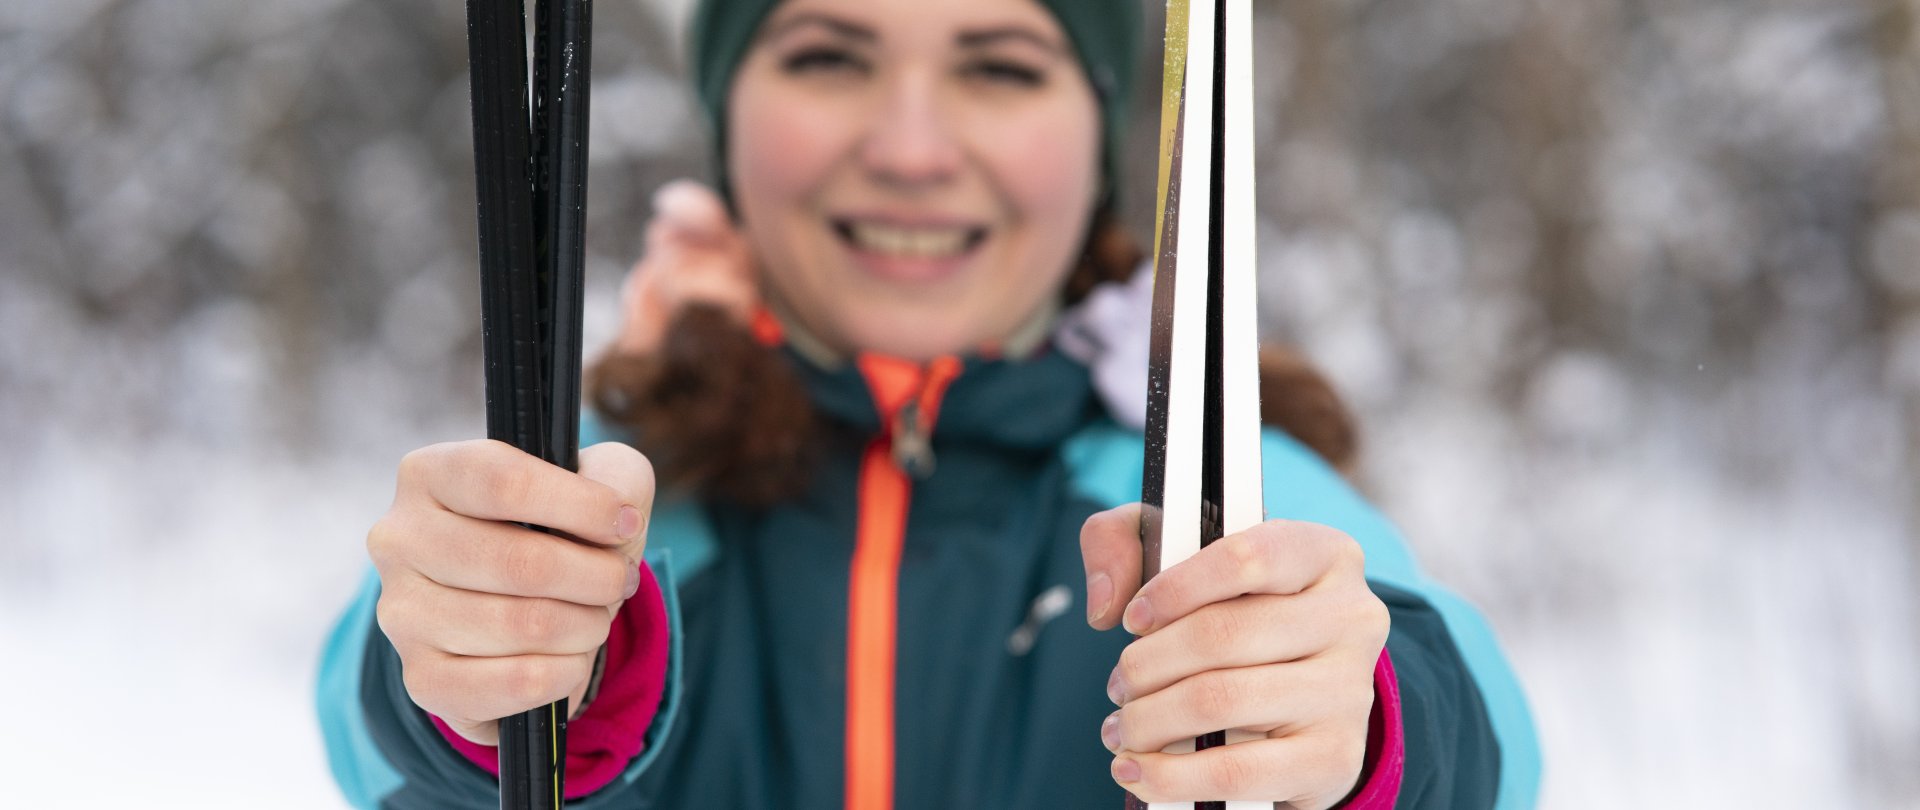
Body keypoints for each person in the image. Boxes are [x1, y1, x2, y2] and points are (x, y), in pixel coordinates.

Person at [317, 0, 1540, 807]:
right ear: (728, 120)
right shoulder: (608, 493)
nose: (911, 149)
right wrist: (489, 667)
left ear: (1098, 133)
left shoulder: (1224, 490)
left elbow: (1487, 747)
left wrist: (1359, 730)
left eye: (1000, 66)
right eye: (828, 56)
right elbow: (371, 739)